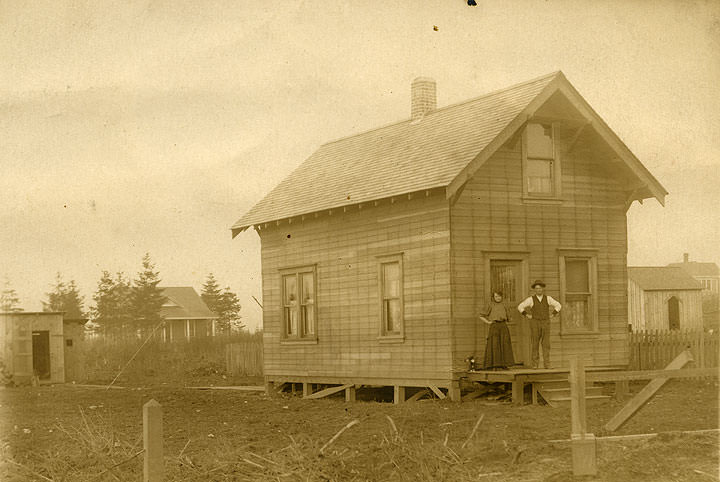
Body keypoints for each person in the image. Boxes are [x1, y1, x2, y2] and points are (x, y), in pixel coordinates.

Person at [517, 280, 561, 369]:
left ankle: (547, 364)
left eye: (540, 288)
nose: (538, 290)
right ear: (534, 290)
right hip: (535, 322)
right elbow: (520, 307)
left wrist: (553, 314)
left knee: (546, 344)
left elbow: (558, 305)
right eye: (537, 288)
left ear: (543, 289)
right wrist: (526, 315)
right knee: (535, 343)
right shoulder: (530, 299)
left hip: (545, 322)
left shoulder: (548, 298)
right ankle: (535, 364)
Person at [479, 291, 515, 370]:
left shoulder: (505, 304)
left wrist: (507, 317)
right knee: (495, 345)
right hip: (494, 326)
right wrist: (488, 322)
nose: (498, 298)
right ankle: (494, 365)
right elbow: (481, 316)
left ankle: (504, 365)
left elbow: (509, 318)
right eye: (496, 296)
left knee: (504, 344)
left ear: (502, 297)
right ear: (493, 297)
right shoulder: (490, 305)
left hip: (503, 326)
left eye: (499, 296)